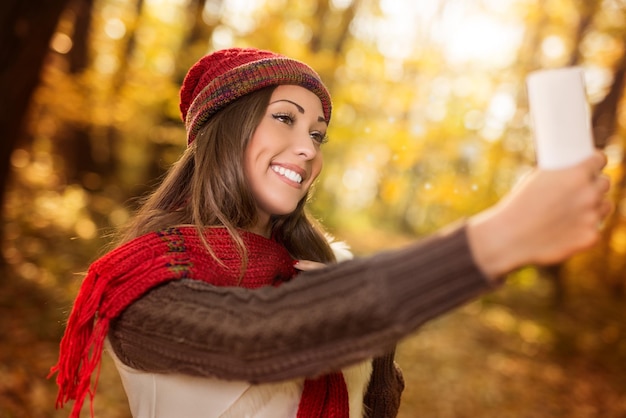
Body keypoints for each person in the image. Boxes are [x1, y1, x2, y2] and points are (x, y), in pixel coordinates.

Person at [49, 47, 612, 418]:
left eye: (318, 133)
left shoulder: (325, 268)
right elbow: (256, 336)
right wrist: (503, 236)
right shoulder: (142, 283)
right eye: (285, 118)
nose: (307, 147)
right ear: (227, 130)